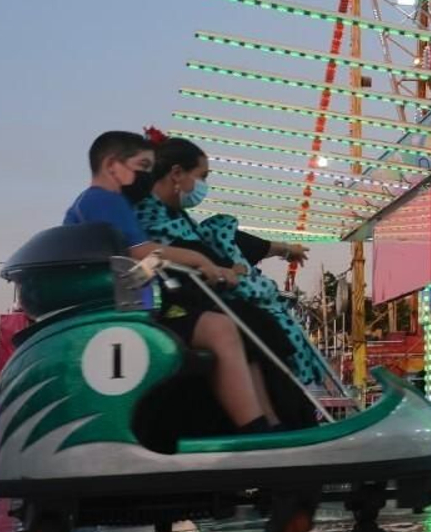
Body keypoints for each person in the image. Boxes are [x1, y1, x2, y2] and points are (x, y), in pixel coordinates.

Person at [64, 131, 276, 433]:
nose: (149, 175)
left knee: (232, 324)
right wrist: (199, 261)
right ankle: (255, 428)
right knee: (221, 326)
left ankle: (265, 423)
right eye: (143, 166)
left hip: (123, 300)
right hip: (122, 308)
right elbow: (143, 255)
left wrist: (182, 268)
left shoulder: (100, 205)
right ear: (113, 165)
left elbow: (140, 265)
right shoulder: (105, 201)